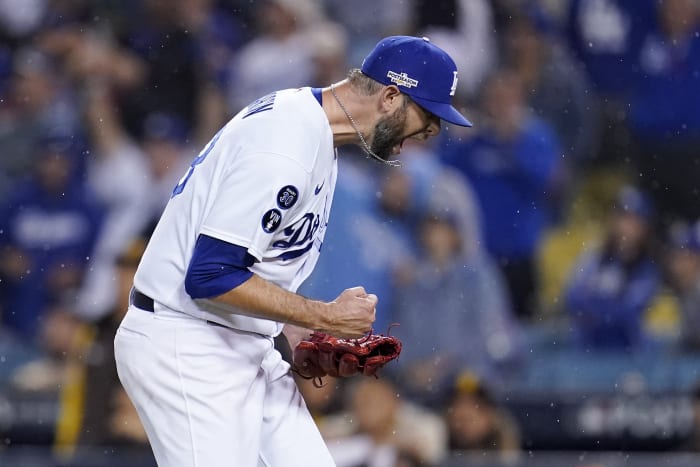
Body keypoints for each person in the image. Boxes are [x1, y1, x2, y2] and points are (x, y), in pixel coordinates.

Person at [114, 35, 472, 467]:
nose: (425, 137)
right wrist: (323, 315)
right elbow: (209, 275)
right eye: (427, 121)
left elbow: (249, 262)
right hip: (187, 346)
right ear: (391, 97)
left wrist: (289, 329)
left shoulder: (314, 127)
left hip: (238, 344)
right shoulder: (286, 146)